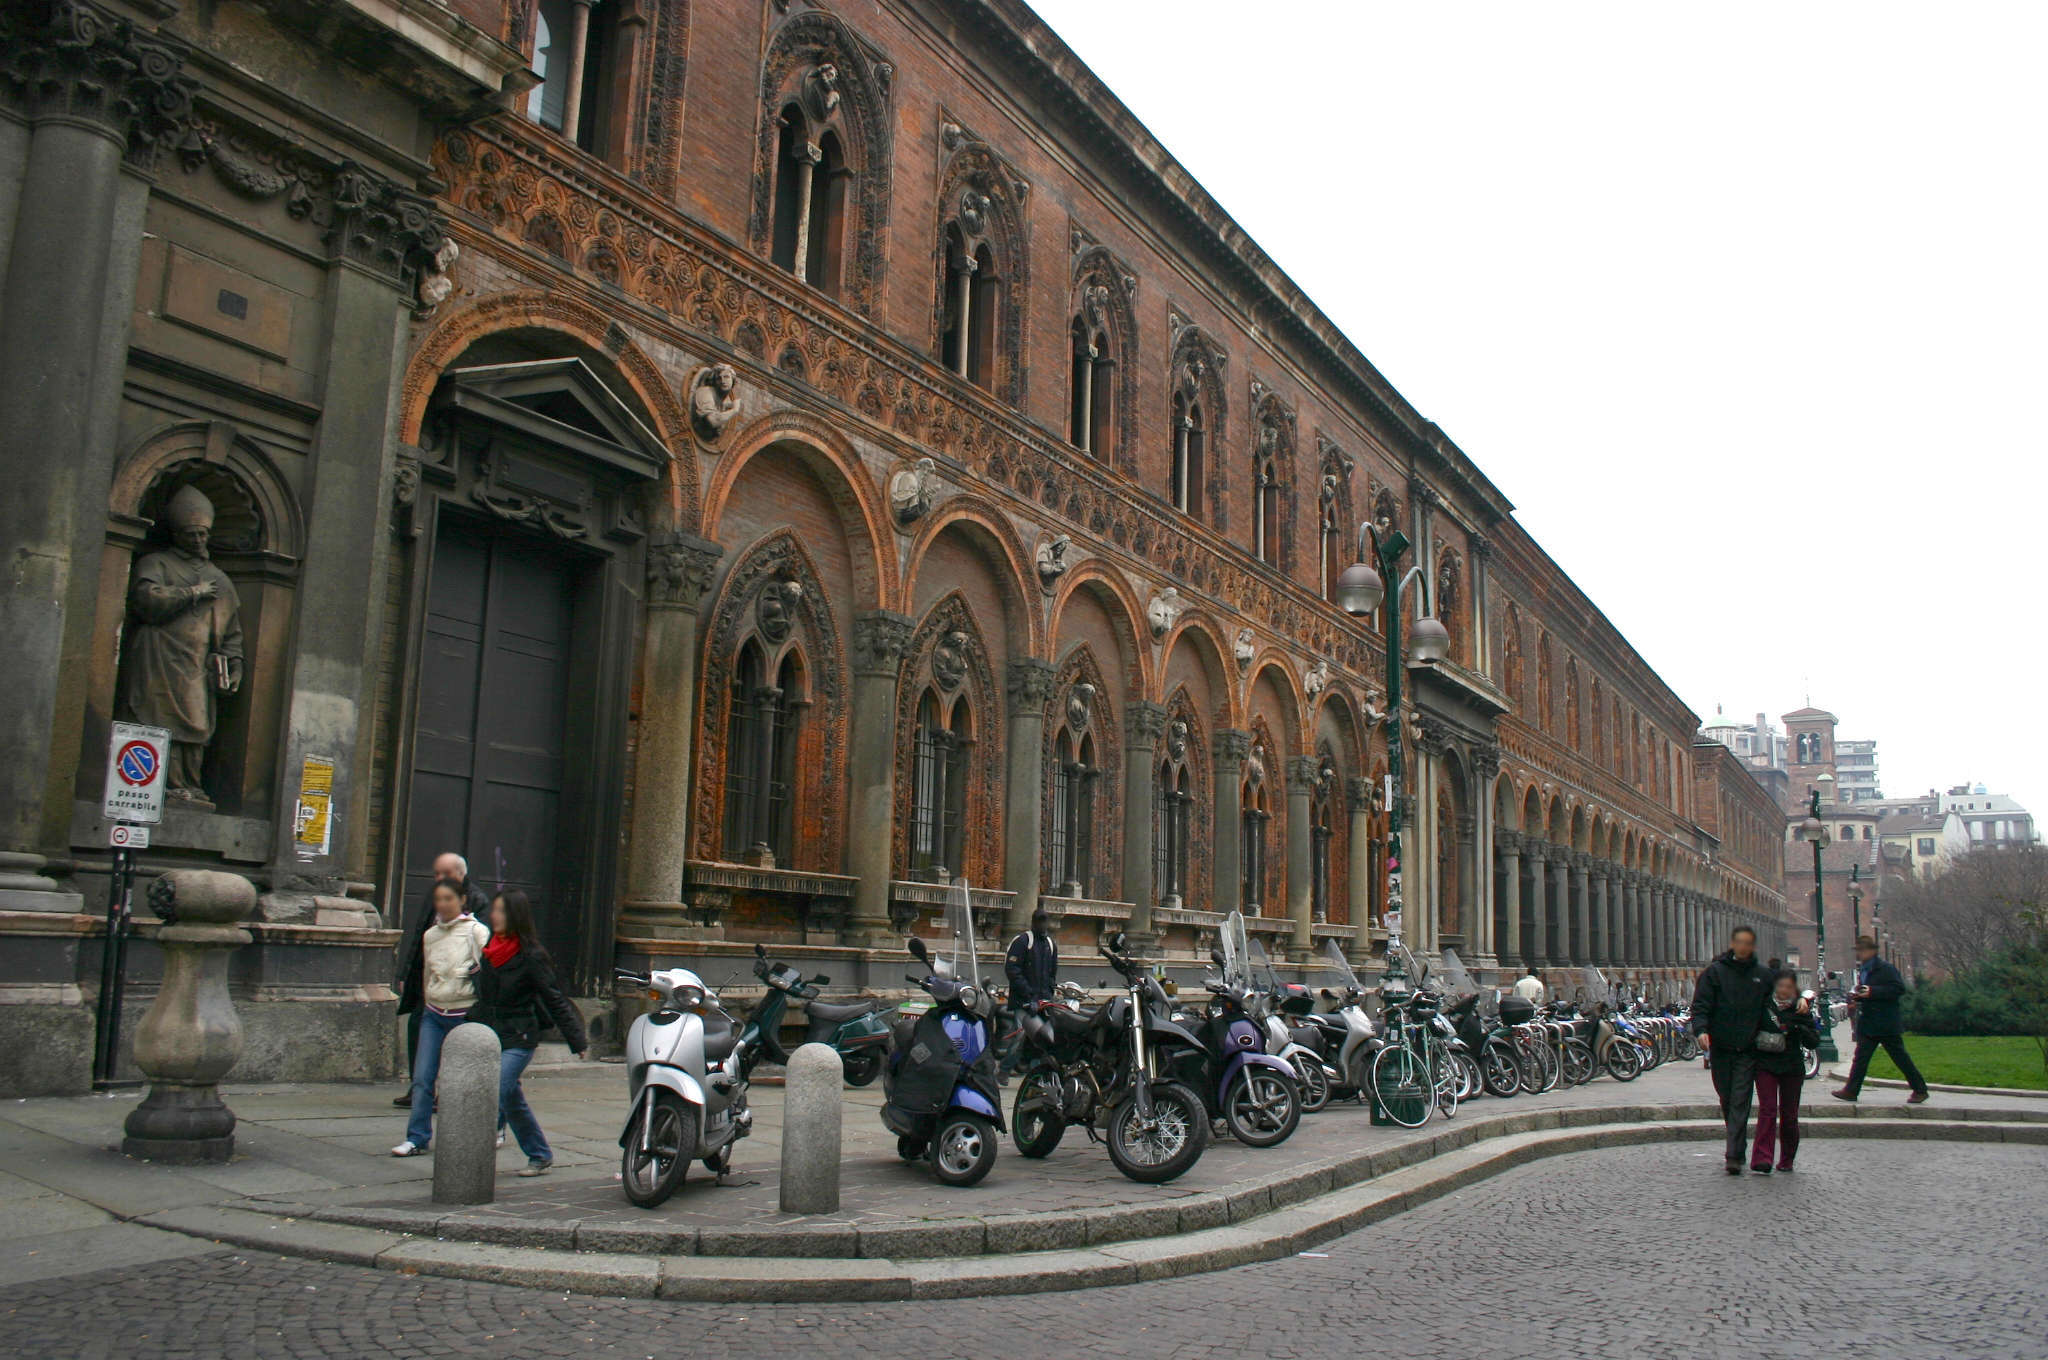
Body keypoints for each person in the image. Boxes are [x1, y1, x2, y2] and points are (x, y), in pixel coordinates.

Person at [473, 890, 589, 1177]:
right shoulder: (491, 951)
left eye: (500, 911)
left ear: (514, 916)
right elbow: (485, 999)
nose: (493, 916)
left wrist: (577, 1039)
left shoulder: (532, 956)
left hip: (520, 1036)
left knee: (496, 1088)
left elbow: (554, 998)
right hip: (492, 1033)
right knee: (512, 1099)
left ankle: (469, 1157)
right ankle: (539, 1154)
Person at [390, 878, 491, 1156]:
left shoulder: (477, 932)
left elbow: (491, 973)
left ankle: (471, 1135)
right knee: (422, 1079)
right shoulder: (430, 935)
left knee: (462, 1081)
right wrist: (429, 997)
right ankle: (417, 1137)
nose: (443, 904)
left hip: (464, 1013)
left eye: (449, 898)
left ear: (462, 901)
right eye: (439, 899)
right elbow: (426, 974)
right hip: (434, 1013)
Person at [1689, 924, 1776, 1174]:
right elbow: (1701, 1005)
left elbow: (1779, 998)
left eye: (1748, 943)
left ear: (1753, 946)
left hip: (1748, 1048)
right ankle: (1737, 1142)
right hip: (1721, 1047)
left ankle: (1734, 1155)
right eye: (1740, 942)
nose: (1744, 947)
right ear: (1733, 944)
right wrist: (1701, 1030)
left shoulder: (1763, 974)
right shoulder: (1714, 974)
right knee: (1727, 1097)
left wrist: (1801, 999)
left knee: (1740, 1099)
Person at [1834, 935, 1930, 1104]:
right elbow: (1870, 991)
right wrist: (1860, 996)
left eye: (1862, 950)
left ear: (1871, 951)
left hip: (1885, 1023)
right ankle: (1851, 1090)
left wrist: (1872, 992)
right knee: (1861, 1058)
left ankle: (1920, 1089)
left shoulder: (1885, 968)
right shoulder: (1864, 969)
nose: (1859, 954)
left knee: (1900, 1057)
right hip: (1870, 1022)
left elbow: (1897, 989)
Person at [1751, 970, 1820, 1173]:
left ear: (1794, 989)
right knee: (1767, 1110)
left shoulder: (1801, 1009)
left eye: (1788, 987)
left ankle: (1787, 1159)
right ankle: (1762, 1158)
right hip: (1766, 1064)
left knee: (1789, 1115)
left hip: (1791, 1066)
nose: (1783, 991)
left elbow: (1813, 1040)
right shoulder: (1762, 1006)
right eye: (1780, 986)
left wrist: (1799, 1027)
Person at [1000, 909, 1059, 1079]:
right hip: (1023, 1001)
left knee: (1042, 1036)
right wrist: (1028, 994)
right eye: (1039, 922)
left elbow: (1052, 972)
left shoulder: (1050, 944)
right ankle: (1004, 1069)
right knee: (1019, 1034)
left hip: (1043, 1001)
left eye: (1044, 921)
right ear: (1033, 923)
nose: (1042, 925)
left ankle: (1034, 1070)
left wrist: (1049, 994)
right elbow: (1012, 970)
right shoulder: (1023, 941)